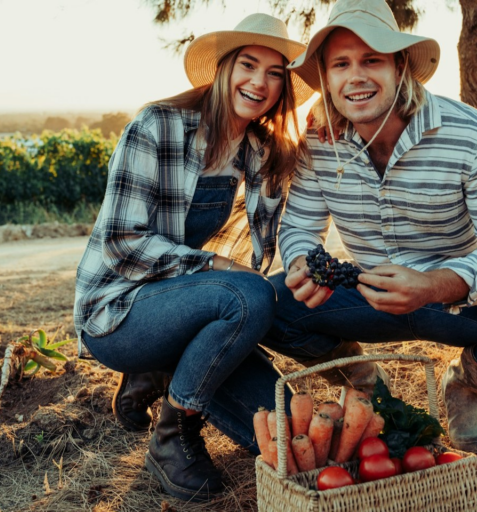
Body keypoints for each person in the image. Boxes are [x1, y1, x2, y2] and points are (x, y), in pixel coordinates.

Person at [260, 0, 477, 453]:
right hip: (367, 290)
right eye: (341, 64)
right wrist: (300, 261)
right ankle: (360, 375)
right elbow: (298, 227)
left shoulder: (468, 132)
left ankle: (464, 386)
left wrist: (433, 285)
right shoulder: (317, 140)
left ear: (399, 67)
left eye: (371, 60)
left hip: (459, 295)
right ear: (327, 79)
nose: (356, 76)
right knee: (266, 307)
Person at [73, 14, 312, 501]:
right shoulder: (156, 125)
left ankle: (168, 367)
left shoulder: (261, 152)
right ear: (223, 69)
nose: (259, 82)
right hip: (119, 311)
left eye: (274, 74)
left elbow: (278, 240)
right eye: (248, 65)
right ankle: (171, 434)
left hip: (187, 307)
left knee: (290, 439)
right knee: (247, 295)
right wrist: (216, 268)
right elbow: (121, 241)